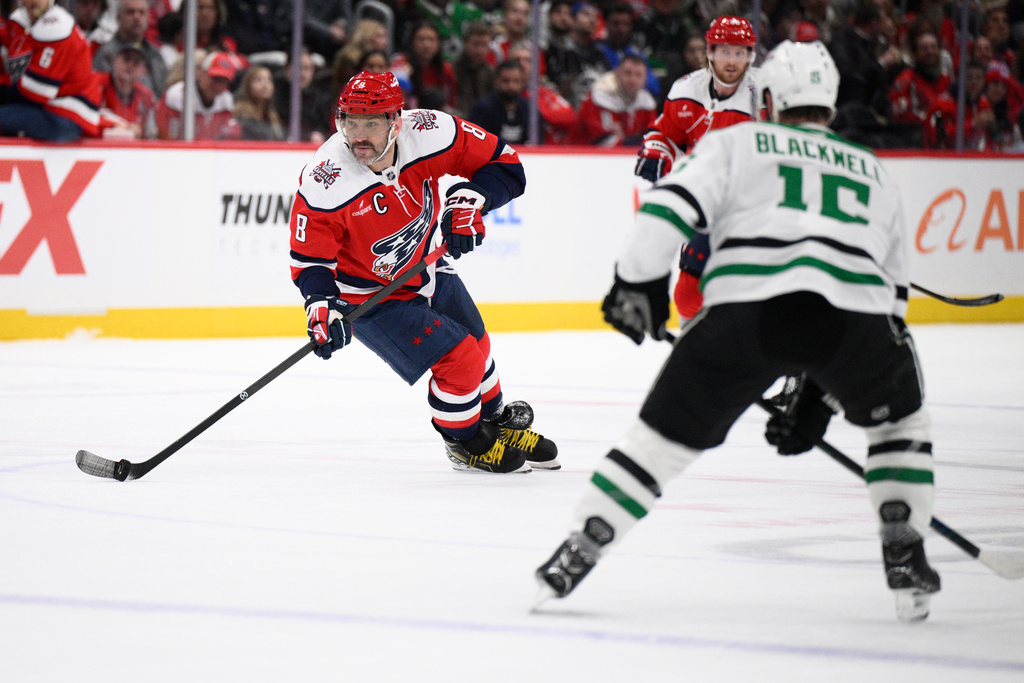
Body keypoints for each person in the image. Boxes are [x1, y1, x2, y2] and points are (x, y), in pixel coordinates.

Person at [536, 40, 942, 624]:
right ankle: (905, 546)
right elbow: (892, 299)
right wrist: (825, 393)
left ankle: (581, 547)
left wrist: (638, 283)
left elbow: (668, 206)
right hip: (853, 322)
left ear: (769, 97)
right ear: (830, 102)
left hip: (747, 312)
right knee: (901, 424)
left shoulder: (740, 140)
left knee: (659, 442)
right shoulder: (873, 168)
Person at [288, 71, 559, 474]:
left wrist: (471, 200)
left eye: (372, 123)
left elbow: (505, 165)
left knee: (479, 346)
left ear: (397, 121)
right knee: (461, 360)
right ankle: (464, 441)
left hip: (426, 264)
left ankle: (494, 421)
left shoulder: (431, 132)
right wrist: (322, 307)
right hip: (368, 297)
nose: (358, 136)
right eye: (350, 122)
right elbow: (310, 259)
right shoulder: (327, 180)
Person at [634, 16, 758, 321]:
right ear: (710, 52)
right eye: (726, 51)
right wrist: (656, 151)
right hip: (706, 205)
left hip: (754, 207)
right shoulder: (687, 89)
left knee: (755, 291)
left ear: (750, 56)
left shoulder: (766, 96)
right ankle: (698, 358)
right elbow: (664, 133)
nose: (732, 61)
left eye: (740, 52)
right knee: (688, 296)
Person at [0, 0, 102, 142]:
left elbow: (37, 90)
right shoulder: (20, 22)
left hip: (66, 118)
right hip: (49, 109)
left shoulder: (58, 28)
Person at [575, 53, 656, 146]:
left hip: (623, 155)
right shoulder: (600, 96)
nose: (632, 80)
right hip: (582, 155)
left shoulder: (646, 102)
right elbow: (603, 142)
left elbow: (652, 137)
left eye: (638, 75)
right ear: (617, 73)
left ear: (645, 78)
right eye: (628, 73)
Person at [93, 0, 169, 98]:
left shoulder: (156, 55)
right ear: (118, 18)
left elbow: (163, 94)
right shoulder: (106, 54)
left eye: (142, 12)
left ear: (148, 18)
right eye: (130, 12)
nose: (137, 17)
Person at [154, 49, 235, 139]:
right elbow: (165, 136)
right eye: (215, 78)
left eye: (224, 81)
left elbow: (221, 138)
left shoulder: (226, 100)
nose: (218, 85)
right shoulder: (177, 95)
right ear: (201, 73)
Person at [97, 43, 158, 139]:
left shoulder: (147, 97)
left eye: (136, 62)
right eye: (126, 59)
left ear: (144, 70)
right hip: (97, 148)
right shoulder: (97, 85)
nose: (130, 65)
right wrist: (120, 126)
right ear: (115, 61)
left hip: (133, 151)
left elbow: (151, 135)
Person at [467, 59, 528, 143]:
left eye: (516, 81)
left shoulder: (528, 110)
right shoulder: (483, 109)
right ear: (496, 81)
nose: (511, 86)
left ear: (522, 82)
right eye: (506, 81)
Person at [223, 63, 285, 141]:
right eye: (259, 80)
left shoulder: (273, 116)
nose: (265, 85)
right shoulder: (241, 114)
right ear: (248, 85)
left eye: (269, 80)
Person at [453, 21, 495, 118]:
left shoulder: (490, 73)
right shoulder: (453, 69)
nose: (479, 50)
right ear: (466, 43)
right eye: (475, 44)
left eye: (484, 45)